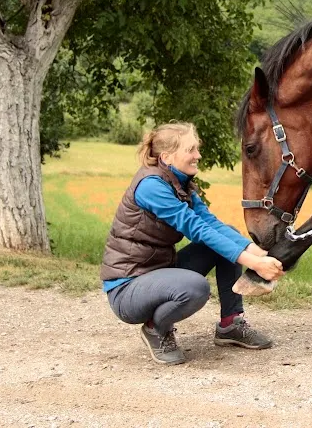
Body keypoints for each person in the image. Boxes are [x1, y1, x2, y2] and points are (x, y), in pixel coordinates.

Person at [100, 122, 285, 365]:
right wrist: (255, 264)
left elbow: (212, 224)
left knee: (225, 236)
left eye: (196, 148)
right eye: (190, 150)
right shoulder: (151, 187)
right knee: (195, 288)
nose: (197, 155)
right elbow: (196, 229)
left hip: (159, 272)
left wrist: (259, 254)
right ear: (167, 157)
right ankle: (156, 329)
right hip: (128, 288)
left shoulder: (180, 183)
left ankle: (230, 324)